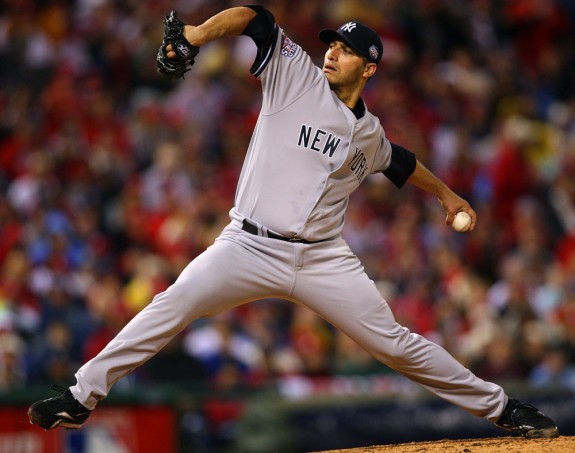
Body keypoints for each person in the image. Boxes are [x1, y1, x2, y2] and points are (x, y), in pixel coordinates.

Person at [28, 5, 559, 440]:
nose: (332, 51)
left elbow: (399, 161)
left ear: (369, 68)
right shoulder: (296, 76)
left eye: (347, 49)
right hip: (248, 244)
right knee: (173, 302)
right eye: (333, 43)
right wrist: (195, 33)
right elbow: (254, 17)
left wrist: (446, 195)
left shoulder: (369, 133)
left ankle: (503, 408)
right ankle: (80, 394)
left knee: (395, 344)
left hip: (323, 257)